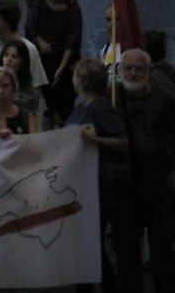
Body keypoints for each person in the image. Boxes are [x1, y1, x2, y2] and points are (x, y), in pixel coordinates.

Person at [65, 58, 141, 293]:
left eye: (76, 75)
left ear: (84, 79)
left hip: (106, 187)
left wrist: (94, 140)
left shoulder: (102, 107)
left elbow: (122, 142)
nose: (73, 79)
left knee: (95, 244)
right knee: (88, 245)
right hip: (86, 186)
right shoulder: (79, 109)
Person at [114, 48, 175, 293]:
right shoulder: (111, 99)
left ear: (149, 72)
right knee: (126, 246)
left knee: (161, 243)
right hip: (123, 186)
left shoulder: (166, 100)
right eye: (128, 68)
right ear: (119, 71)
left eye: (139, 69)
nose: (133, 73)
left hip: (158, 184)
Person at [25, 0, 82, 125]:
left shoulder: (73, 9)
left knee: (65, 93)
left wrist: (61, 69)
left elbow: (73, 42)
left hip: (66, 59)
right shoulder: (39, 5)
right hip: (44, 58)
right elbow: (30, 29)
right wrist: (39, 41)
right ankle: (52, 115)